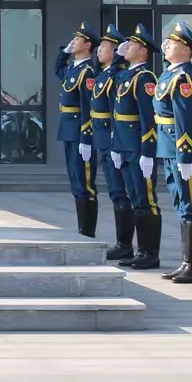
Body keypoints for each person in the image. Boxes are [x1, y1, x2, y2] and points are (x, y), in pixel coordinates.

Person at [154, 21, 192, 283]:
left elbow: (185, 120)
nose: (166, 46)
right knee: (180, 202)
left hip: (179, 147)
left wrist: (185, 156)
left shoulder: (183, 78)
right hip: (168, 146)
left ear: (186, 50)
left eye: (172, 43)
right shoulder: (169, 74)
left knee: (190, 204)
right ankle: (186, 262)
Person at [112, 24, 163, 270]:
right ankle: (139, 250)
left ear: (143, 51)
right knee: (134, 198)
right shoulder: (127, 76)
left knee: (145, 200)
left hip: (137, 147)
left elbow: (148, 118)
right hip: (124, 145)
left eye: (131, 44)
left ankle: (149, 252)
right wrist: (116, 146)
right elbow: (117, 110)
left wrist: (148, 152)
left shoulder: (145, 78)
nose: (127, 47)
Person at [54, 23, 101, 238]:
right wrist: (64, 52)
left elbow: (87, 109)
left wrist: (86, 138)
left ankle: (87, 232)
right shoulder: (73, 68)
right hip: (68, 130)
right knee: (75, 180)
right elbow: (58, 69)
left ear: (88, 45)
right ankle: (82, 230)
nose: (73, 42)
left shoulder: (87, 72)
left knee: (85, 183)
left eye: (78, 39)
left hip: (80, 132)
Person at [88, 27, 130, 260]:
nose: (99, 50)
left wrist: (115, 143)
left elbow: (116, 112)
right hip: (101, 139)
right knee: (114, 192)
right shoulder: (103, 73)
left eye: (104, 47)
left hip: (111, 139)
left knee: (120, 192)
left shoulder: (116, 76)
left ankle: (125, 244)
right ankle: (122, 242)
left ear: (115, 52)